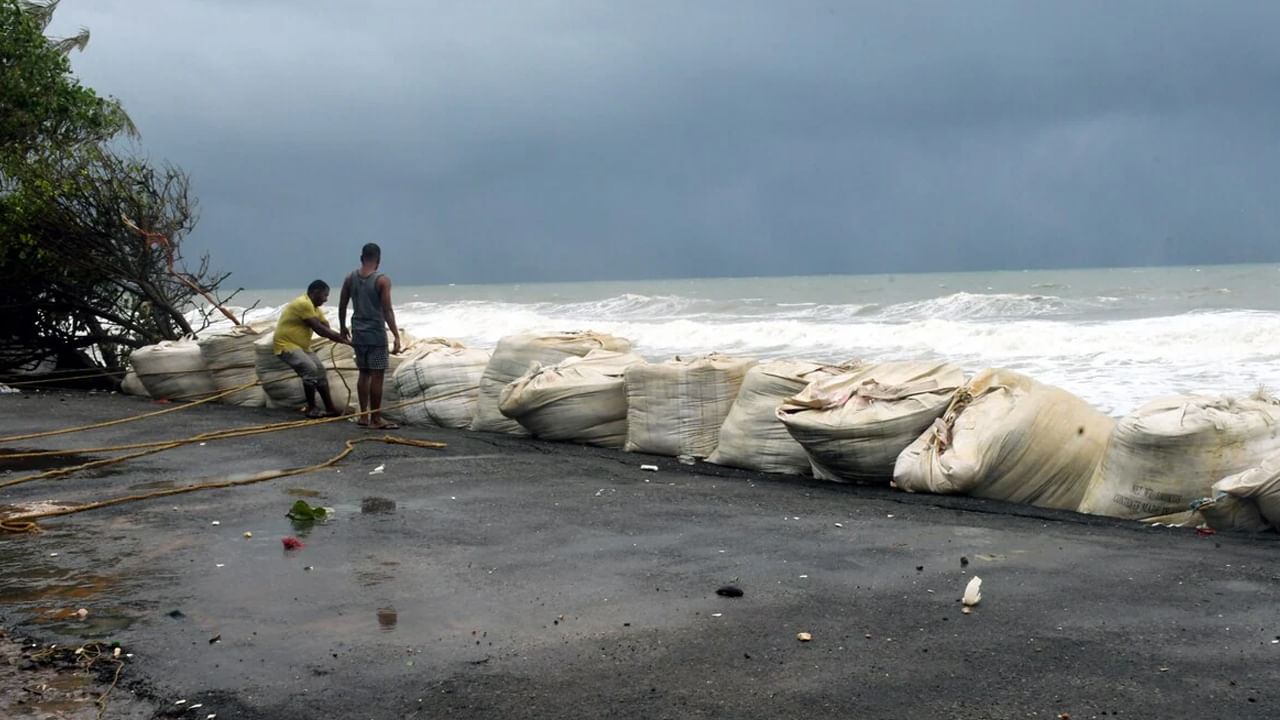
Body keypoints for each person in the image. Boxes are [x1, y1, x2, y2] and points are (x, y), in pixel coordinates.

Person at [339, 242, 402, 429]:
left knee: (364, 373)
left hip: (358, 332)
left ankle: (363, 416)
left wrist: (343, 327)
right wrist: (396, 335)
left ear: (361, 258)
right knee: (377, 375)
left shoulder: (350, 278)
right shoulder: (382, 280)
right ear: (379, 261)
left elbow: (342, 305)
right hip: (375, 334)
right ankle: (376, 418)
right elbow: (387, 309)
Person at [273, 279, 348, 418]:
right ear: (315, 292)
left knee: (320, 371)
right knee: (310, 369)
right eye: (325, 295)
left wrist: (341, 337)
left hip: (302, 347)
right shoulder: (303, 303)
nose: (326, 299)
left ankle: (330, 408)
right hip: (286, 345)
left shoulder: (315, 308)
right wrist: (342, 340)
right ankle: (311, 408)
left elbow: (325, 326)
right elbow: (319, 329)